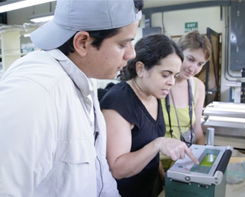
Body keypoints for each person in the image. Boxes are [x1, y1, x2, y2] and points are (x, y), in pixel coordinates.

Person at [0, 0, 141, 196]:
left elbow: (97, 171)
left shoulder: (81, 77)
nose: (131, 54)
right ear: (82, 43)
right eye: (122, 44)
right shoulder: (34, 92)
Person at [102, 34, 199, 197]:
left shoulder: (154, 94)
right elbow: (117, 169)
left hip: (149, 187)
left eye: (175, 76)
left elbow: (149, 150)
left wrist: (163, 179)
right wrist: (158, 144)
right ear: (140, 69)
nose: (171, 82)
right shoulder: (119, 102)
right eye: (165, 74)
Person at [158, 30, 213, 174]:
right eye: (190, 59)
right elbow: (147, 135)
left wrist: (202, 160)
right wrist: (162, 175)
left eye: (200, 64)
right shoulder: (159, 83)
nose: (193, 68)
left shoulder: (198, 87)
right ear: (177, 52)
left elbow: (197, 127)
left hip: (184, 161)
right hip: (155, 162)